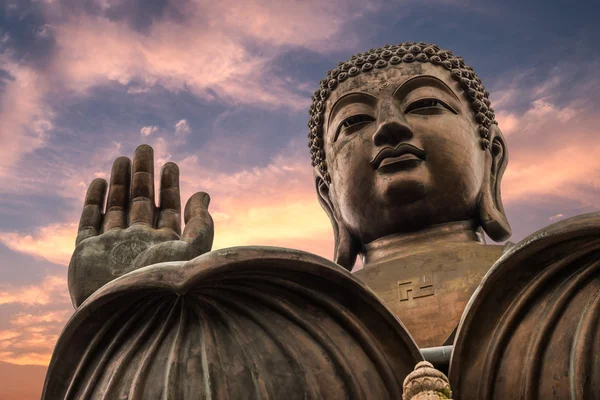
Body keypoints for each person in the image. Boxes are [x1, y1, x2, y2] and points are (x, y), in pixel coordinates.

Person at [68, 42, 511, 347]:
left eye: (426, 104)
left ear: (490, 156)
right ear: (328, 193)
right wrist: (130, 315)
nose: (390, 126)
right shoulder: (284, 321)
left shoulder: (563, 272)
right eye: (353, 122)